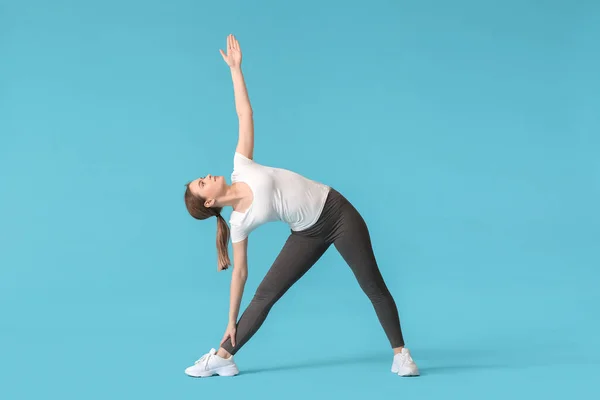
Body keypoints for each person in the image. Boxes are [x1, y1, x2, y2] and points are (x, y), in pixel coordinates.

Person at [183, 34, 419, 378]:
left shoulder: (240, 165)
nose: (207, 175)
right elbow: (241, 273)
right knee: (265, 295)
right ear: (209, 201)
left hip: (337, 213)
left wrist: (235, 69)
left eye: (202, 176)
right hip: (306, 233)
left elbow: (244, 112)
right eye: (202, 182)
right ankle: (223, 356)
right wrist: (231, 319)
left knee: (371, 283)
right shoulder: (238, 222)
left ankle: (402, 354)